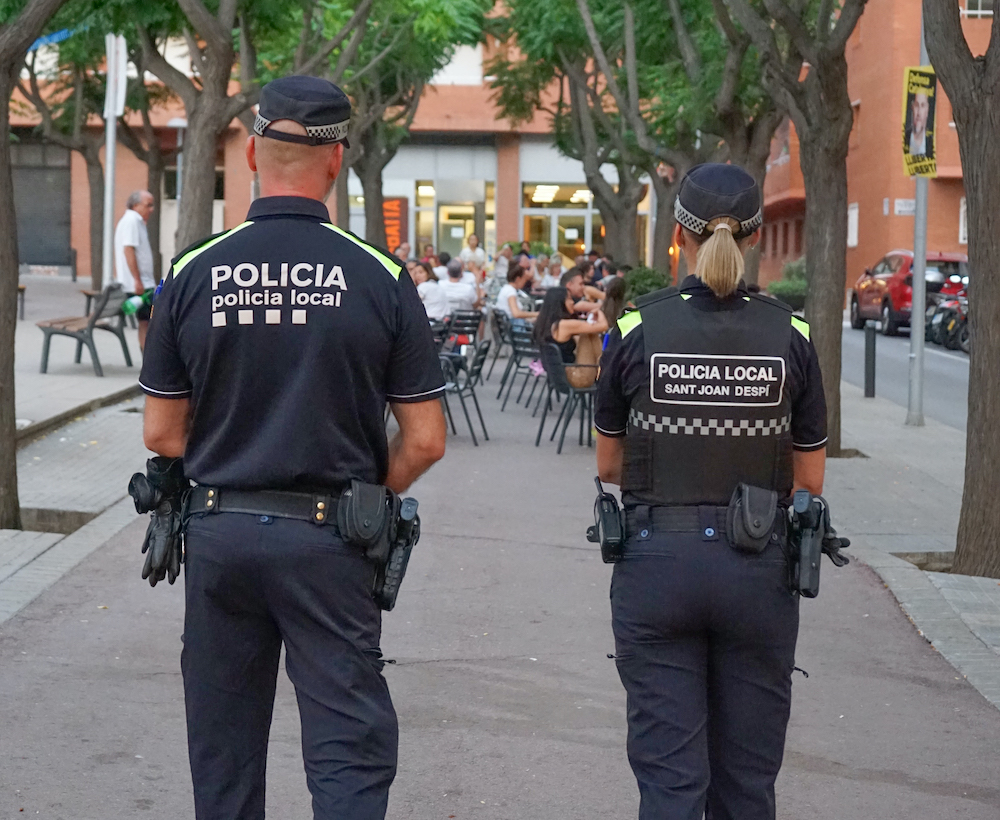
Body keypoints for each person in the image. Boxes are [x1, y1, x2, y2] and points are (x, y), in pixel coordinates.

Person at [136, 75, 447, 820]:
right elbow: (427, 438)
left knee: (225, 746)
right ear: (336, 160)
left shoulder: (194, 271)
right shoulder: (380, 276)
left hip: (221, 532)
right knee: (347, 750)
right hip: (331, 538)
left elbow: (161, 433)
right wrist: (371, 489)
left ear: (250, 153)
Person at [594, 163, 828, 820]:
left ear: (680, 234)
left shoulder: (637, 327)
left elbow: (609, 463)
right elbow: (809, 480)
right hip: (758, 573)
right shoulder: (794, 335)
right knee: (747, 788)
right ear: (755, 234)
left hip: (656, 570)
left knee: (670, 786)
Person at [534, 286, 607, 388]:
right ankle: (607, 370)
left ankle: (606, 369)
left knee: (586, 332)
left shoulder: (544, 323)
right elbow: (603, 326)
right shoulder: (564, 325)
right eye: (569, 299)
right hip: (577, 378)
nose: (572, 302)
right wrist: (598, 312)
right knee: (588, 334)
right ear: (560, 303)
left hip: (558, 376)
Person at [114, 190, 156, 349]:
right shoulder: (131, 221)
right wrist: (137, 280)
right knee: (147, 322)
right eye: (148, 205)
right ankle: (148, 360)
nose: (151, 209)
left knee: (148, 321)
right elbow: (129, 250)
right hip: (139, 284)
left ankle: (149, 359)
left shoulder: (136, 221)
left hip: (142, 282)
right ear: (136, 205)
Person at [906, 91, 930, 156]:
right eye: (916, 105)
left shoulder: (931, 142)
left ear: (927, 110)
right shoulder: (904, 138)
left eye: (922, 106)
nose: (919, 113)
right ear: (912, 107)